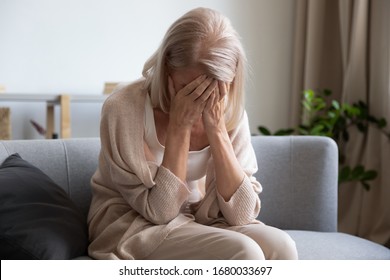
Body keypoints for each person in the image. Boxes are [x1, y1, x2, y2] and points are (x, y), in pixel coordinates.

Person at [87, 7, 298, 260]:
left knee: (282, 247)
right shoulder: (124, 108)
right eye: (188, 88)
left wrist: (217, 130)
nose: (201, 100)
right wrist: (179, 126)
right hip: (134, 223)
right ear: (166, 69)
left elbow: (242, 214)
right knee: (246, 253)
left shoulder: (230, 111)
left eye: (214, 89)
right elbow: (160, 211)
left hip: (199, 218)